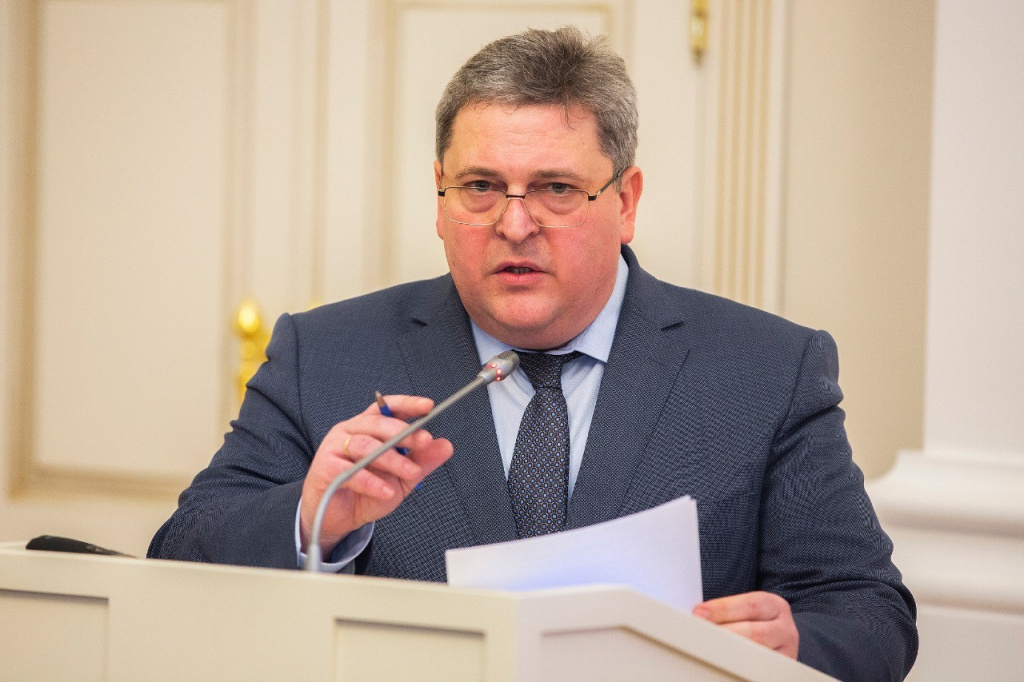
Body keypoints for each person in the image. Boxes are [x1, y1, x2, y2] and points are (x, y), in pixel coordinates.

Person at [149, 27, 917, 680]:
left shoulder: (768, 371)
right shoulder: (325, 354)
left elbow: (870, 611)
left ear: (626, 202)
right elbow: (176, 560)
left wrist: (792, 645)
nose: (515, 224)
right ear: (440, 197)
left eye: (555, 188)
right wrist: (310, 518)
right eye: (481, 186)